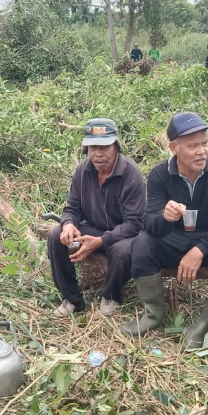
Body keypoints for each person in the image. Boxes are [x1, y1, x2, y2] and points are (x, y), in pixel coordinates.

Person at [120, 112, 208, 349]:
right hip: (176, 238)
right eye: (193, 146)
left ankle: (203, 325)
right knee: (141, 244)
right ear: (174, 148)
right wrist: (165, 217)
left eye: (205, 143)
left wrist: (199, 250)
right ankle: (154, 316)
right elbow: (149, 224)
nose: (202, 151)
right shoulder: (160, 174)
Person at [49, 118, 145, 317]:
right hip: (94, 229)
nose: (98, 154)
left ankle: (111, 294)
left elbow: (135, 223)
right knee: (56, 235)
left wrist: (101, 240)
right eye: (93, 147)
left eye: (105, 147)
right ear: (86, 149)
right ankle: (72, 299)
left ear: (116, 147)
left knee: (122, 251)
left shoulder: (130, 174)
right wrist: (68, 224)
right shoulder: (82, 171)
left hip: (123, 236)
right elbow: (73, 207)